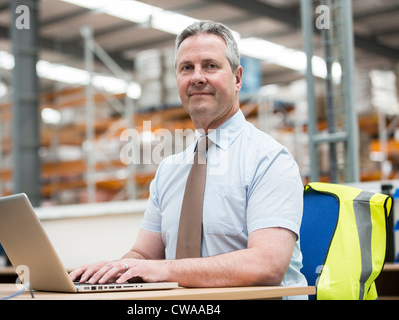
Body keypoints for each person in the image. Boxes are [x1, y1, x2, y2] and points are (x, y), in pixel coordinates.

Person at [69, 20, 307, 295]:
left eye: (210, 65)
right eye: (186, 68)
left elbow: (267, 265)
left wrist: (165, 270)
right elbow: (144, 255)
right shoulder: (170, 169)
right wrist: (118, 269)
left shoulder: (269, 160)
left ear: (237, 78)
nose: (197, 77)